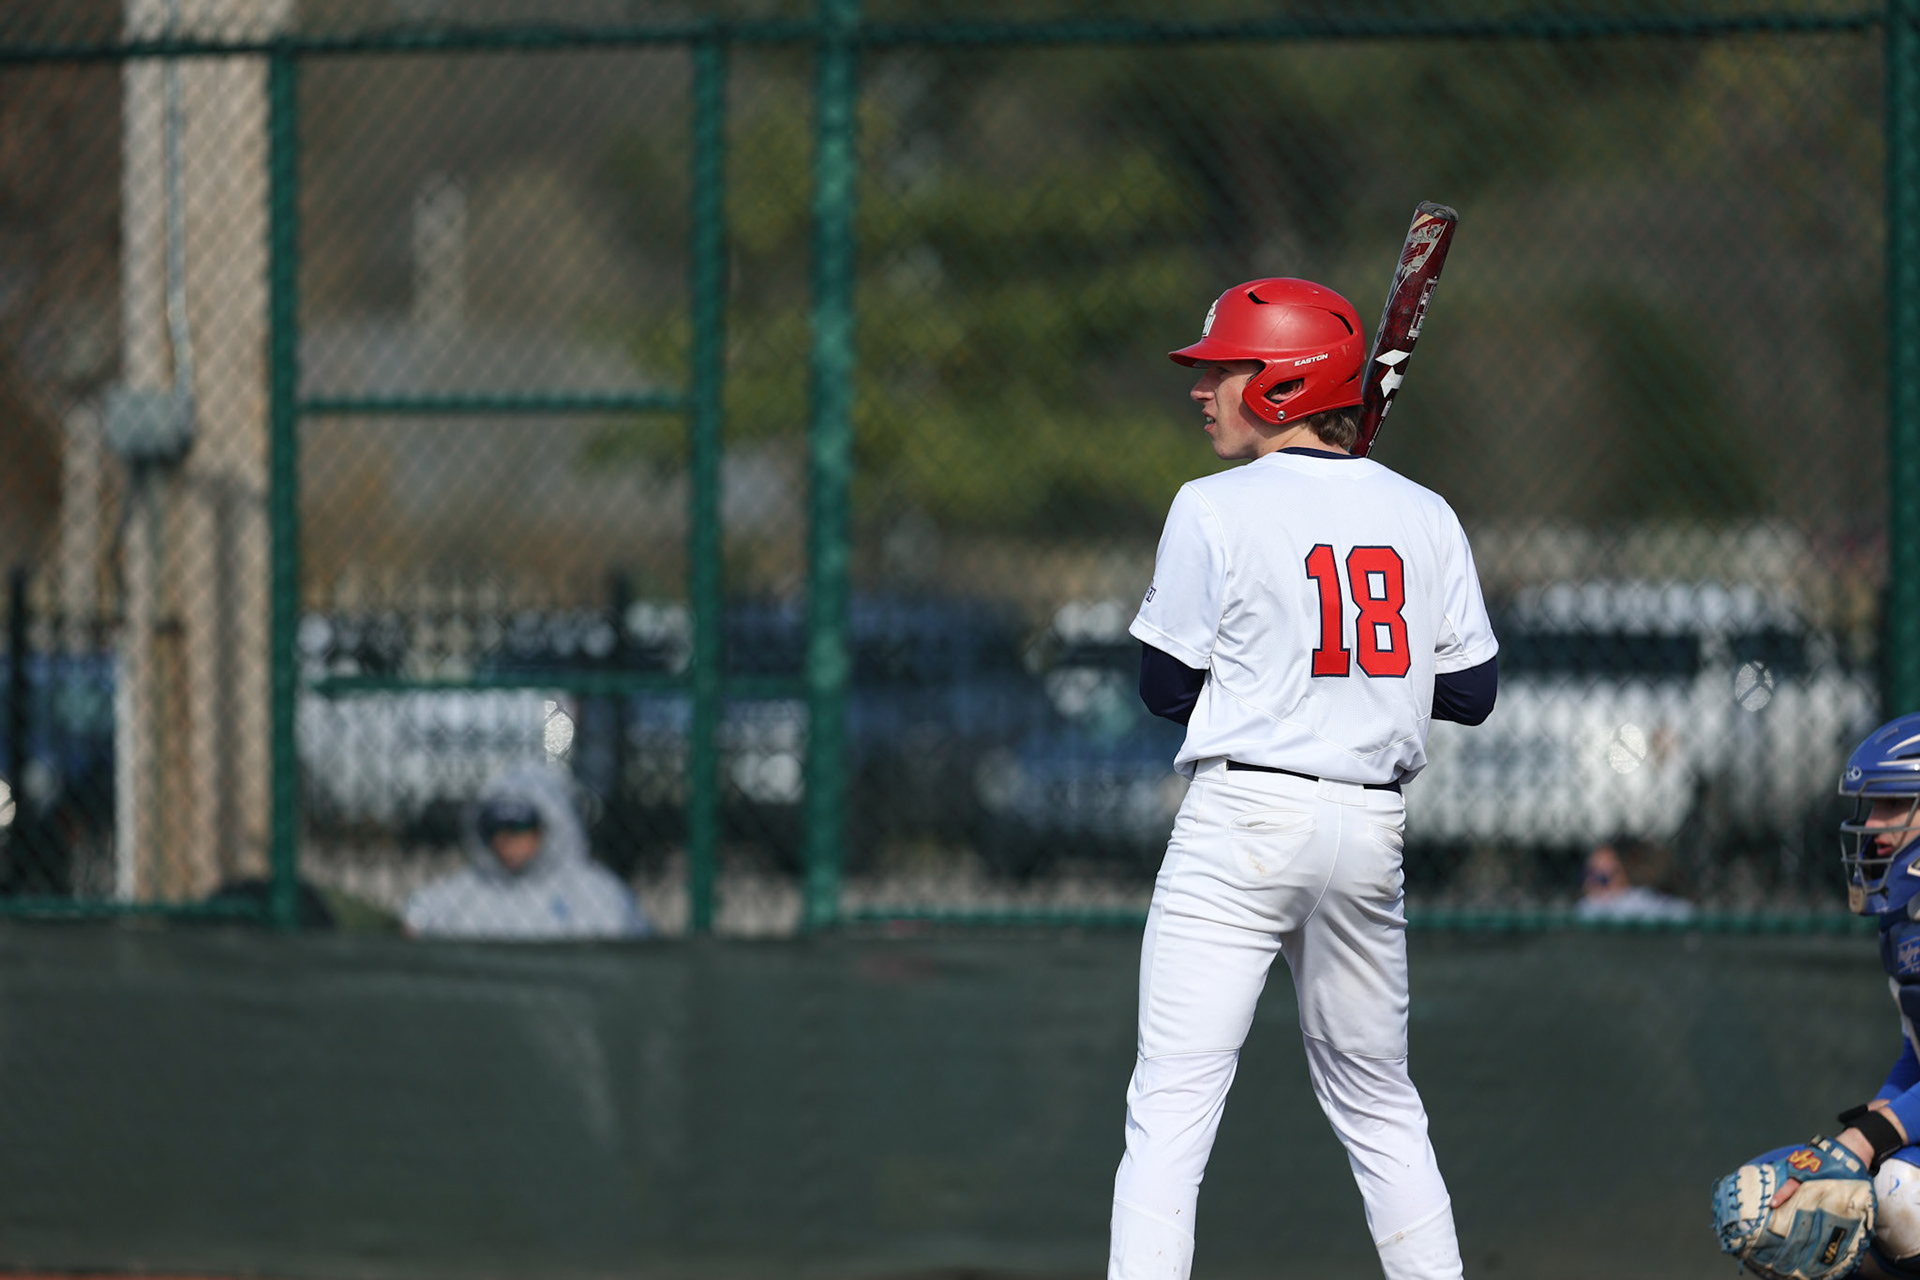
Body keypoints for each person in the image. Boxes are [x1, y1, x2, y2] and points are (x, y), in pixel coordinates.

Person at [1113, 277, 1498, 1280]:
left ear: (1283, 383)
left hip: (1243, 818)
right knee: (1378, 1099)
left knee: (1172, 1104)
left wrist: (1281, 662)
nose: (1202, 390)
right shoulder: (1422, 509)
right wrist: (1363, 682)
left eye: (1224, 370)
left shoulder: (1211, 506)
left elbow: (1163, 684)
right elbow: (1469, 689)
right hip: (1368, 829)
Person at [1713, 713, 1920, 1280]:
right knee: (1832, 1215)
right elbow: (1917, 1055)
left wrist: (1867, 1139)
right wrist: (1877, 1118)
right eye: (1869, 805)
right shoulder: (1905, 923)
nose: (1873, 826)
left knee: (1903, 1200)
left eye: (1893, 805)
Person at [404, 762, 651, 941]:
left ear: (552, 826)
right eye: (493, 827)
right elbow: (414, 924)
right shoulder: (464, 893)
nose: (504, 839)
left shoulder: (596, 895)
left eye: (518, 826)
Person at [1573, 838, 1694, 923]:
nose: (1593, 883)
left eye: (1603, 878)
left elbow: (1684, 911)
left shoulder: (1637, 901)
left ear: (1622, 875)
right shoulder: (1586, 907)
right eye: (1589, 875)